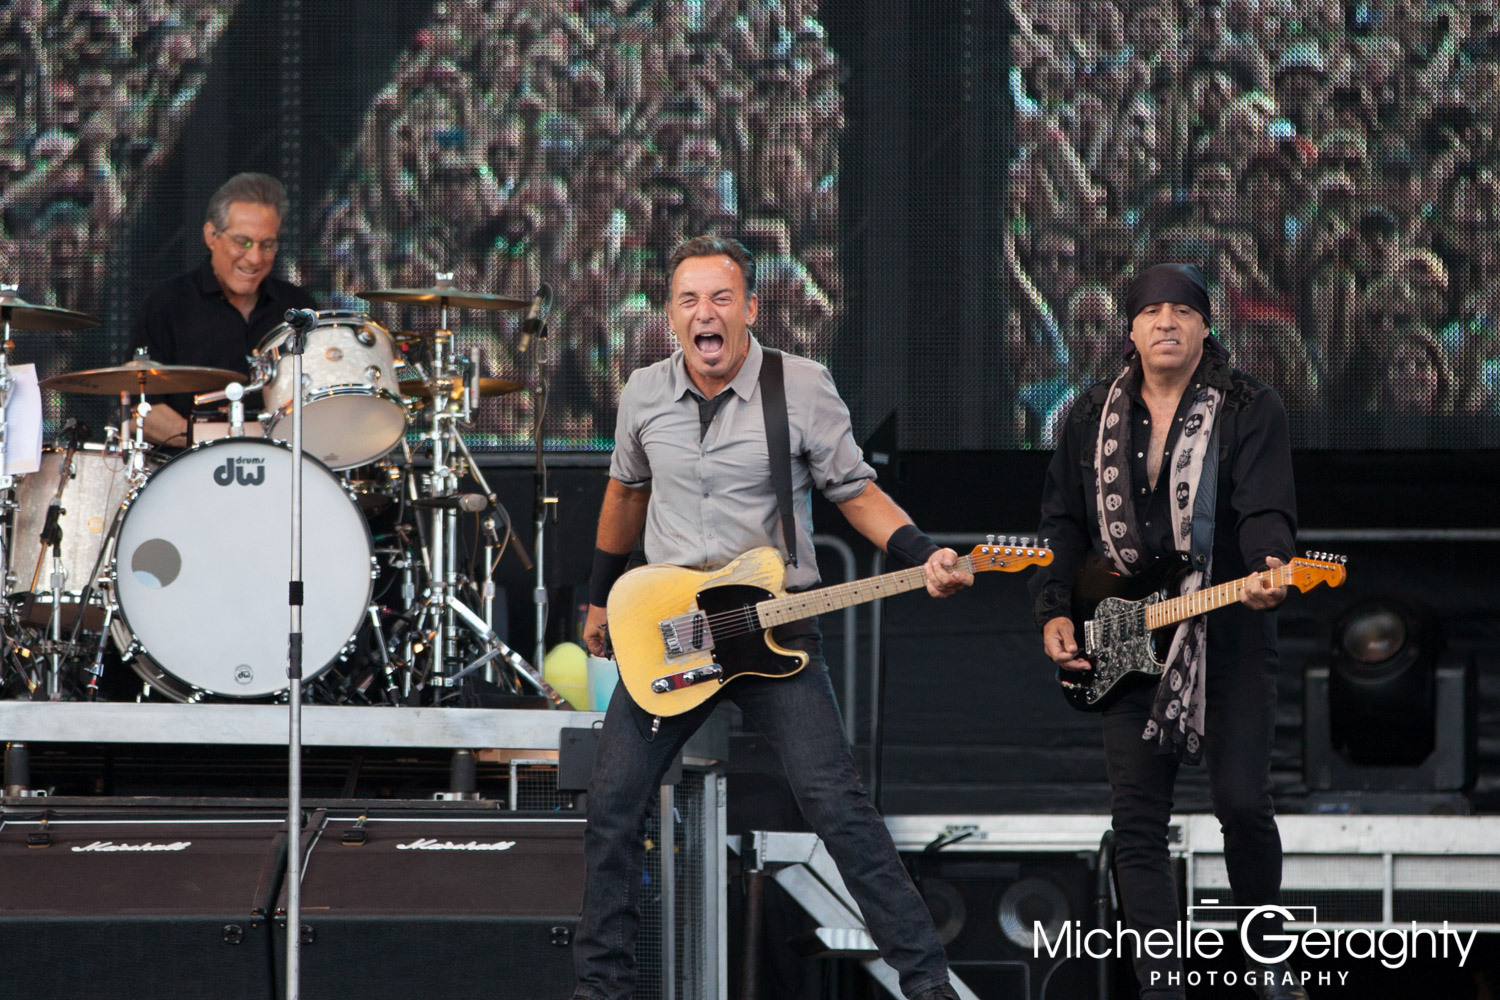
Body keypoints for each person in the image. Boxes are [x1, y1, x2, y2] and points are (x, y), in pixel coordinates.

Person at [574, 235, 971, 1000]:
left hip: (773, 631)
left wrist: (923, 551)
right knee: (613, 805)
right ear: (670, 316)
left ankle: (929, 987)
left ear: (751, 307)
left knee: (836, 806)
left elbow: (854, 490)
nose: (705, 314)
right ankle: (603, 991)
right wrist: (598, 597)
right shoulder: (644, 393)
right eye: (689, 300)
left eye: (721, 298)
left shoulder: (802, 385)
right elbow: (625, 494)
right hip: (671, 635)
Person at [1029, 264, 1305, 1000]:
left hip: (1227, 634)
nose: (1166, 322)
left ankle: (1266, 959)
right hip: (1119, 636)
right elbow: (1061, 522)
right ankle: (1161, 985)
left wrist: (1270, 565)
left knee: (1243, 803)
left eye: (1182, 311)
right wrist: (1056, 609)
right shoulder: (1088, 415)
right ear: (1130, 331)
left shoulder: (1249, 406)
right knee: (1138, 824)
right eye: (1150, 311)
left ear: (1206, 327)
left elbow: (1264, 510)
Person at [130, 172, 316, 445]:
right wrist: (216, 445)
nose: (254, 258)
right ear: (211, 236)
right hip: (189, 475)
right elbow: (143, 410)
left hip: (283, 472)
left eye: (267, 245)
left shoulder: (299, 307)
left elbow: (318, 400)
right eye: (243, 242)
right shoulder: (167, 305)